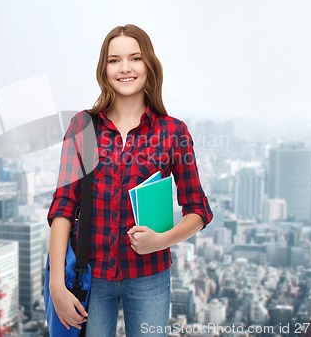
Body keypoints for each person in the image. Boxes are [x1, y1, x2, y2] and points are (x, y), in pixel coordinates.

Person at [47, 24, 213, 337]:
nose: (125, 68)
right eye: (114, 60)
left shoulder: (173, 132)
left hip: (149, 275)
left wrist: (161, 241)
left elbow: (198, 209)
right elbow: (64, 205)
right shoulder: (82, 126)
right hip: (89, 275)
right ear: (104, 69)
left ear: (149, 64)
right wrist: (57, 282)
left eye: (134, 58)